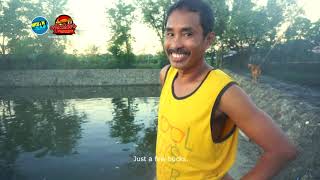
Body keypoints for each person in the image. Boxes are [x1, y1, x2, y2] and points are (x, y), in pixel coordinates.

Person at [155, 0, 298, 179]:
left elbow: (282, 150)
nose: (175, 44)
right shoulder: (166, 75)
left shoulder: (224, 92)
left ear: (208, 40)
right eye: (170, 33)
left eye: (187, 33)